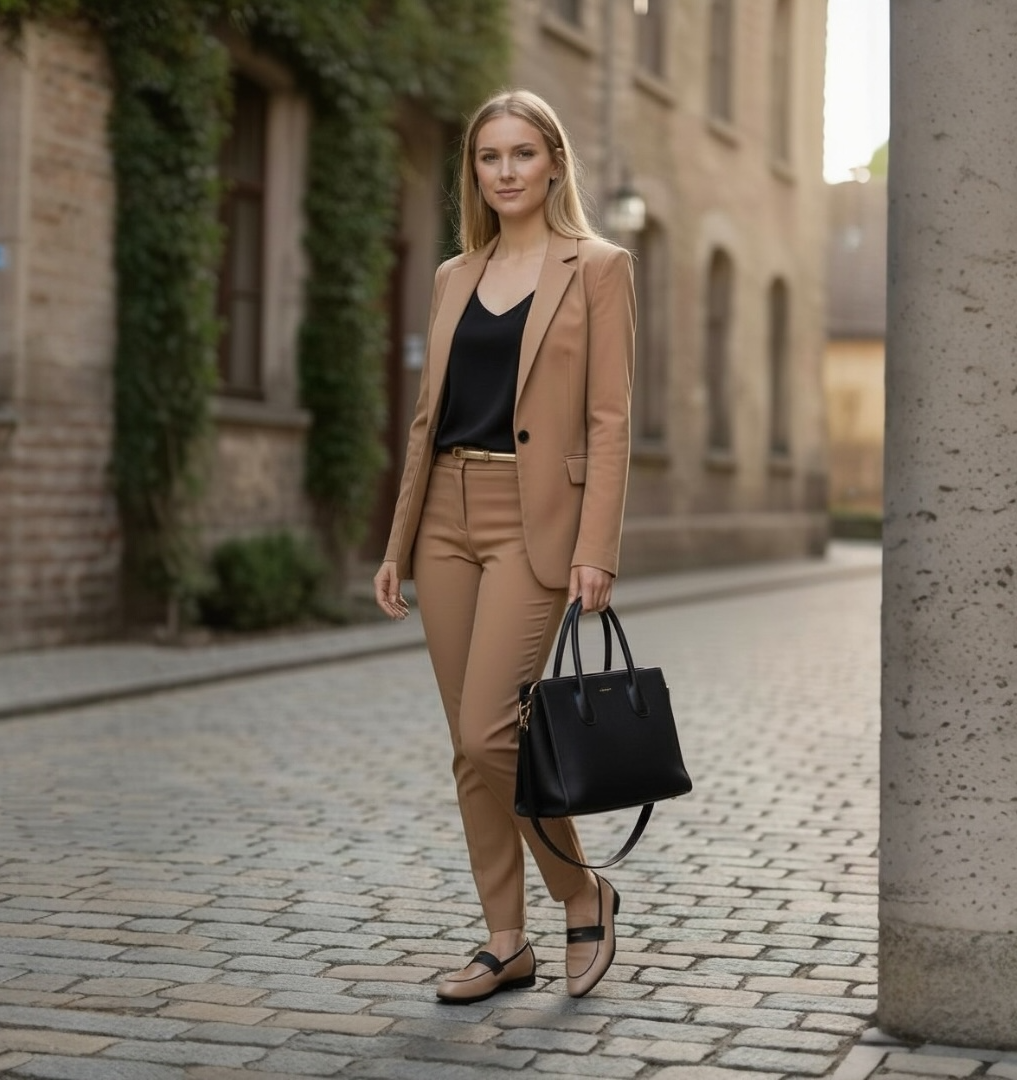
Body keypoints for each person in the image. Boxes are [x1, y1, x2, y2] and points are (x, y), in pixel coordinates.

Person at [373, 88, 635, 1004]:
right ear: (474, 172)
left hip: (537, 525)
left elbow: (609, 421)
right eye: (491, 157)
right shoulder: (454, 274)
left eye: (524, 154)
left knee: (495, 732)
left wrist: (595, 545)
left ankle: (582, 892)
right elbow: (424, 417)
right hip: (445, 512)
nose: (508, 171)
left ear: (554, 163)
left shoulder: (598, 267)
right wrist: (398, 538)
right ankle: (504, 940)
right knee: (466, 742)